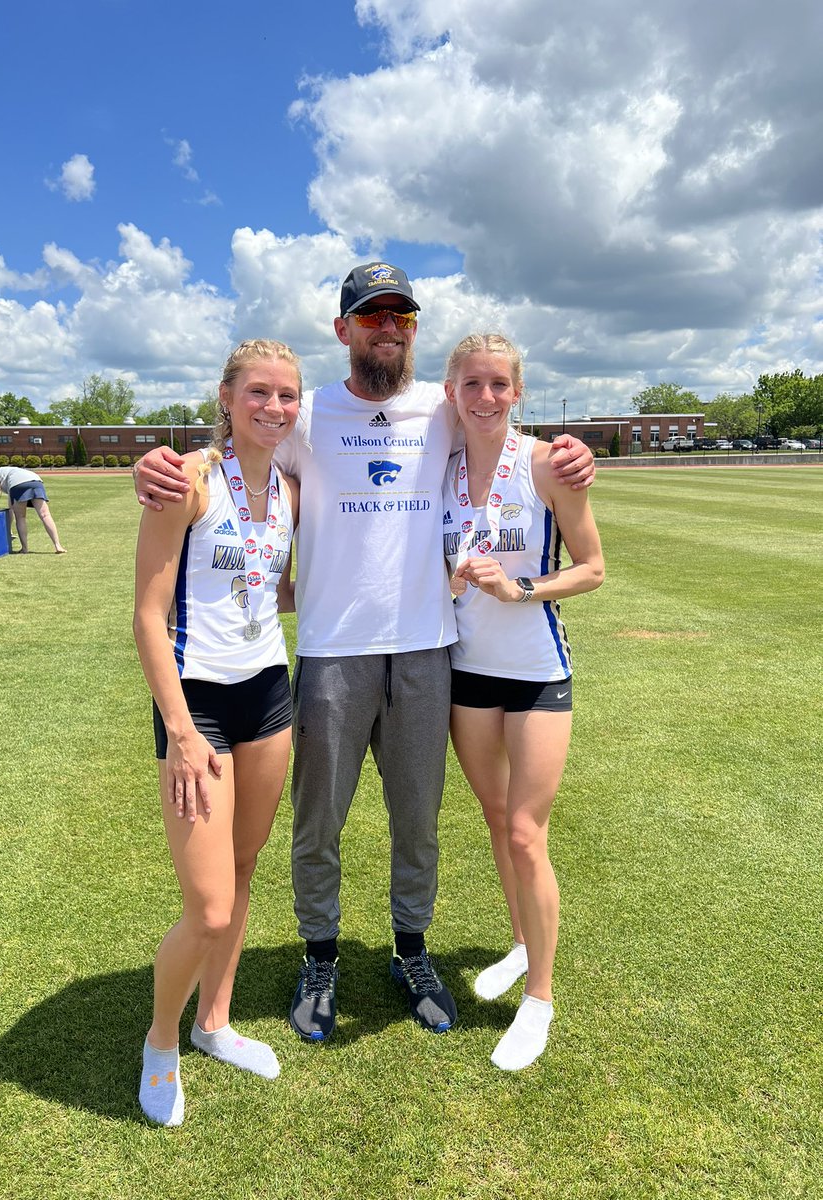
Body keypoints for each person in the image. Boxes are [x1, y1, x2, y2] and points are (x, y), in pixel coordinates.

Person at [133, 263, 595, 1044]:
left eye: (402, 318)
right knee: (319, 826)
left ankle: (410, 951)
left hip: (427, 653)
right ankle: (320, 957)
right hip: (331, 656)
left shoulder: (444, 409)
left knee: (417, 824)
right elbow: (226, 466)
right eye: (371, 316)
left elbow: (504, 431)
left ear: (413, 332)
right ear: (344, 329)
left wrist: (568, 452)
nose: (388, 328)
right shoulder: (301, 414)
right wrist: (158, 465)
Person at [132, 339, 301, 1126]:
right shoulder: (190, 481)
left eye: (287, 396)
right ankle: (161, 1040)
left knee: (243, 865)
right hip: (195, 703)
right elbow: (147, 613)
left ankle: (214, 1023)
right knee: (206, 905)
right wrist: (179, 730)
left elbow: (275, 590)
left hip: (269, 694)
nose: (274, 407)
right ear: (228, 398)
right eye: (259, 393)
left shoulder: (292, 490)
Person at [442, 333, 604, 1070]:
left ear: (518, 393)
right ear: (452, 391)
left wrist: (523, 588)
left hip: (538, 671)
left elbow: (593, 568)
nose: (485, 398)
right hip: (467, 673)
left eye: (499, 385)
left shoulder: (547, 464)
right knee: (494, 817)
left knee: (526, 833)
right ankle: (517, 941)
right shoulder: (436, 468)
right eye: (472, 384)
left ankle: (539, 996)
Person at [0, 465, 66, 553]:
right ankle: (58, 545)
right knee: (45, 515)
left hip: (18, 486)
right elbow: (10, 507)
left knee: (21, 517)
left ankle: (24, 549)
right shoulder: (9, 471)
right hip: (36, 481)